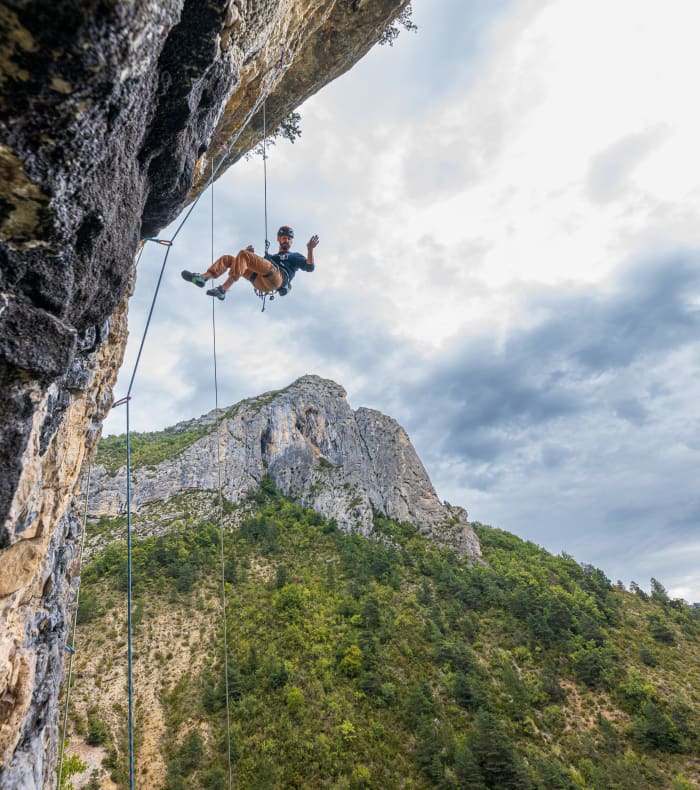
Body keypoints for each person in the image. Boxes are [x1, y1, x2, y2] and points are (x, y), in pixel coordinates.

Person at [181, 225, 319, 300]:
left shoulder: (294, 256)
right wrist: (248, 257)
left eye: (288, 238)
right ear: (278, 239)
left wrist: (310, 249)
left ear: (292, 241)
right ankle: (203, 278)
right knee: (229, 259)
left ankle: (223, 289)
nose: (286, 240)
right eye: (283, 238)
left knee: (244, 254)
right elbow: (257, 265)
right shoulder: (272, 257)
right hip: (260, 282)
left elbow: (310, 267)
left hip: (278, 278)